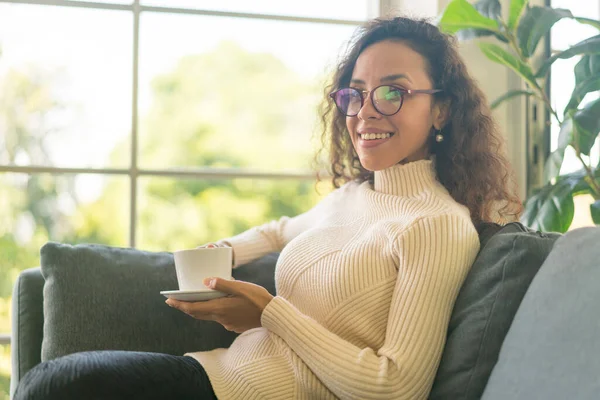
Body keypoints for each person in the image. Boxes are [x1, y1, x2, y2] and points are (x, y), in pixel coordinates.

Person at [14, 15, 522, 400]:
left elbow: (396, 386)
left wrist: (268, 313)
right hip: (220, 372)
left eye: (393, 92)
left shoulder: (437, 227)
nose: (365, 112)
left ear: (442, 109)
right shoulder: (353, 197)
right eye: (355, 94)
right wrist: (221, 253)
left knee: (62, 384)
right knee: (53, 380)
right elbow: (280, 230)